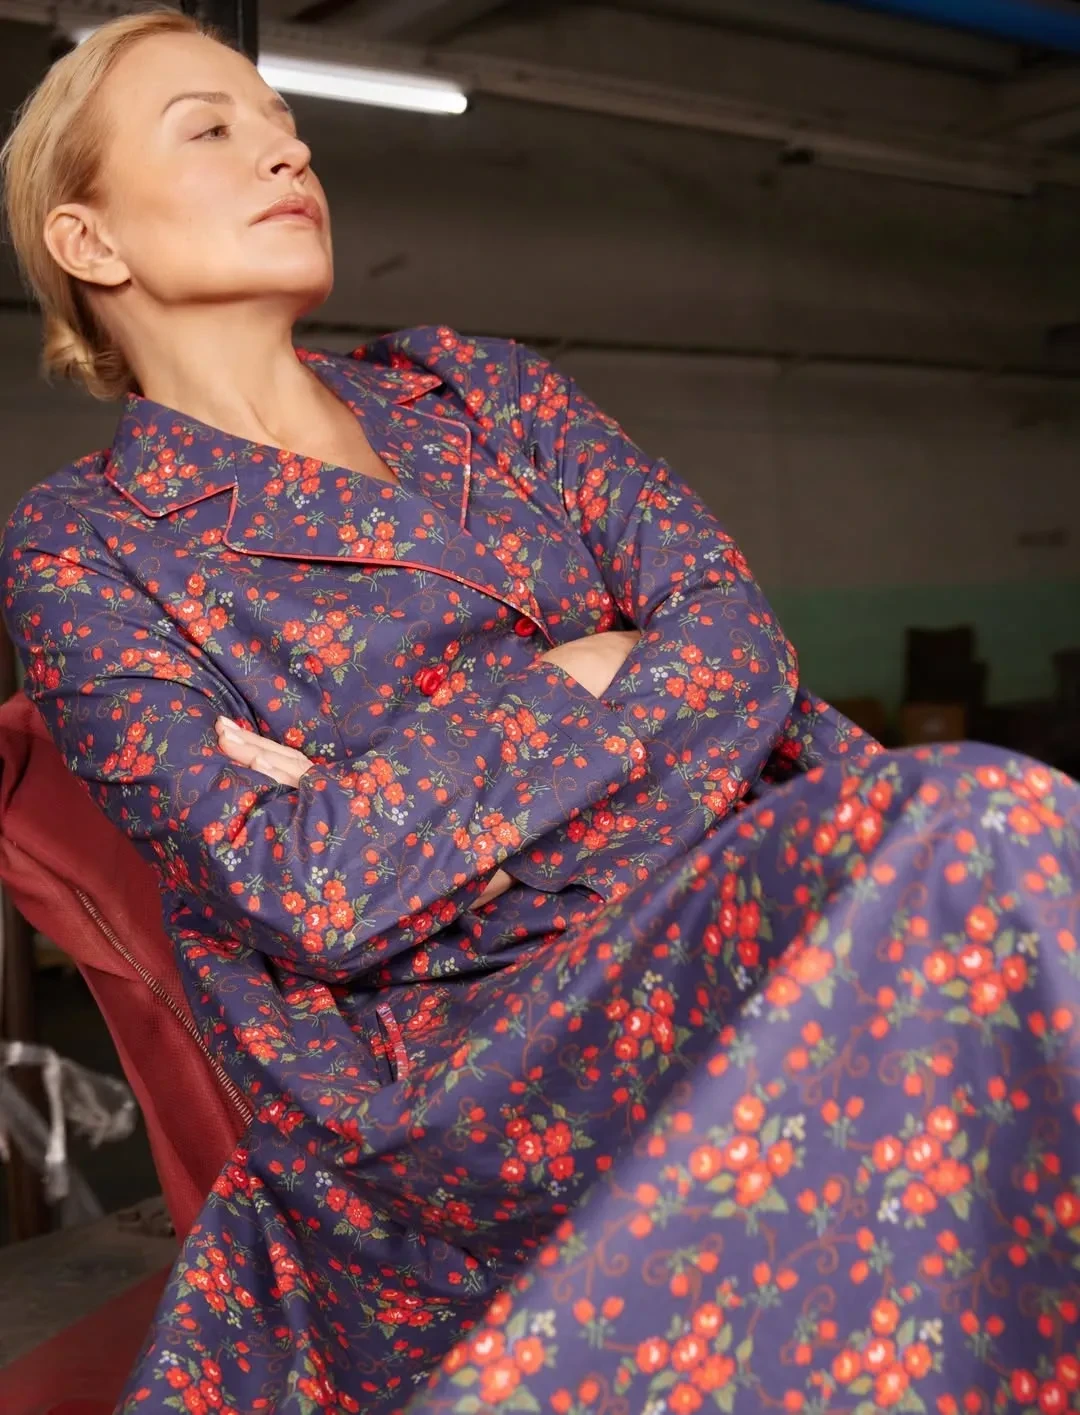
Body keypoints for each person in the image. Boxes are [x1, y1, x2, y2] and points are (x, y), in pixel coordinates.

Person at [1, 9, 1077, 1414]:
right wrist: (581, 674)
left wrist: (423, 817)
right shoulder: (86, 545)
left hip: (736, 898)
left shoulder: (481, 390)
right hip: (471, 1072)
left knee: (1008, 850)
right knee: (988, 821)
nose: (287, 152)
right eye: (212, 129)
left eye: (285, 124)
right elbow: (300, 886)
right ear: (89, 241)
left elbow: (739, 647)